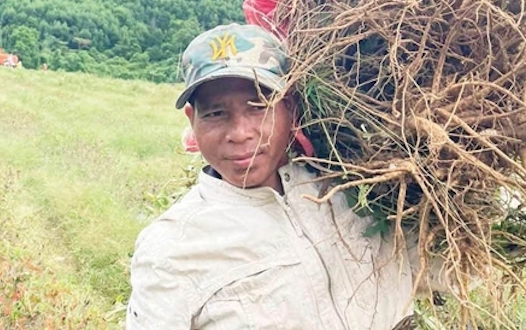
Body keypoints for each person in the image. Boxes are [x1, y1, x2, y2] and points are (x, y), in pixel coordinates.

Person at [126, 23, 438, 330]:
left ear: (290, 107)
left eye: (259, 106)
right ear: (192, 120)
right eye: (216, 113)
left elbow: (431, 267)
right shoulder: (171, 250)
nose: (240, 133)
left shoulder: (355, 186)